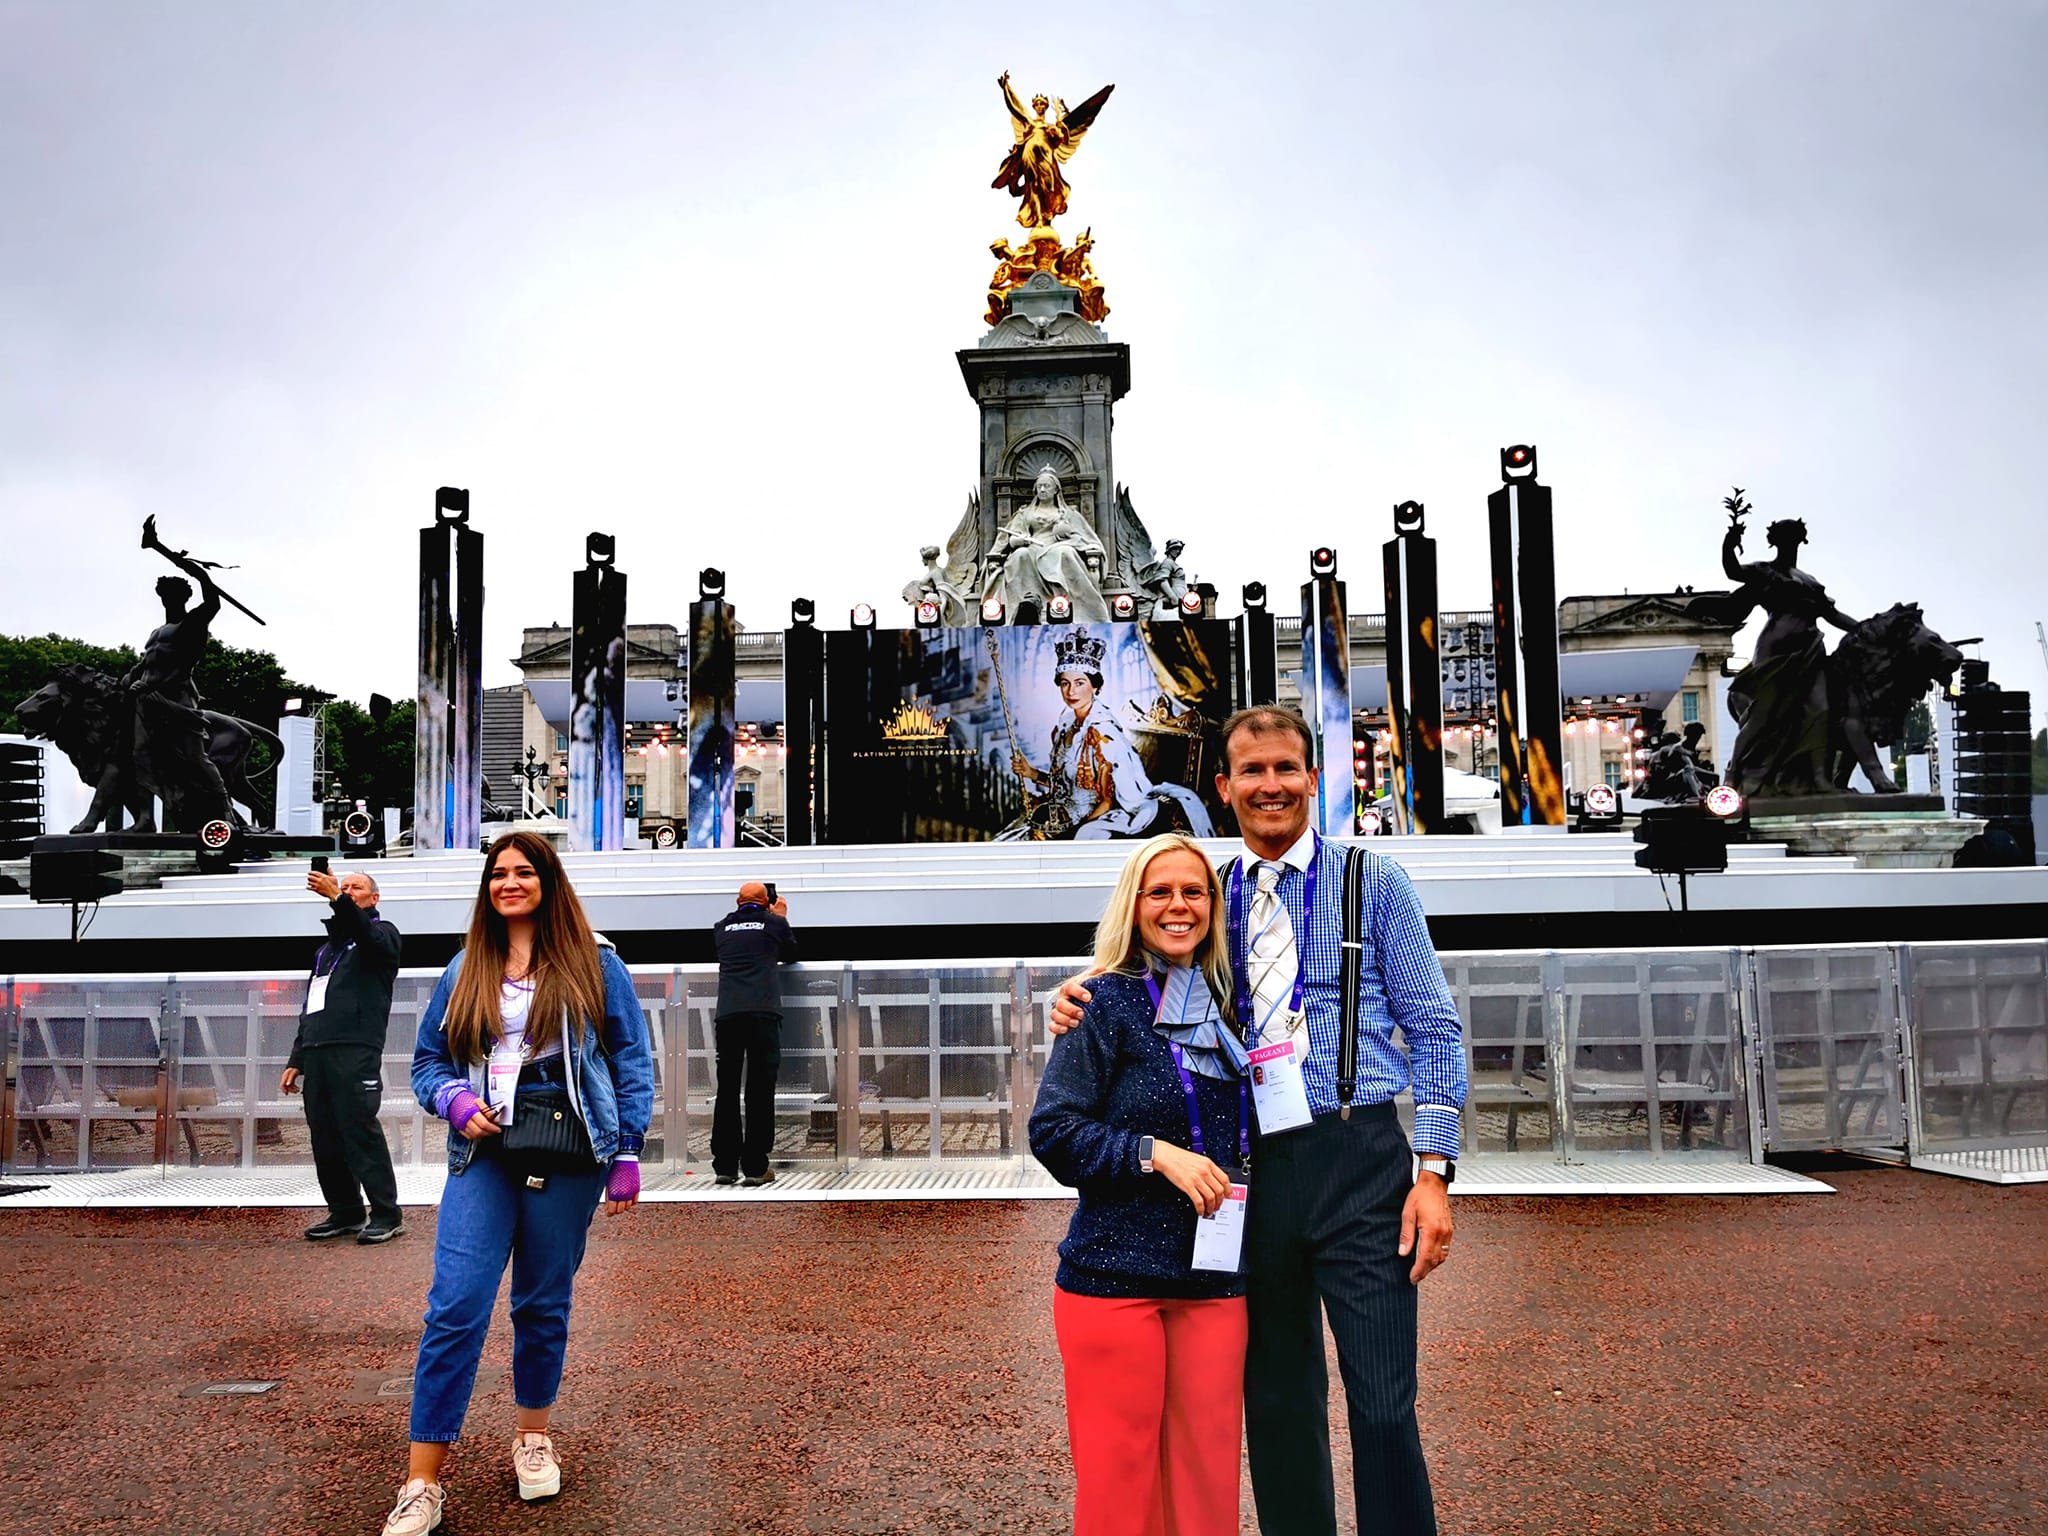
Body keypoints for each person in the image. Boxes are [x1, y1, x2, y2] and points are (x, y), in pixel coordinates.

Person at [1052, 705, 1467, 1536]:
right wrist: (1074, 993)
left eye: (1286, 768)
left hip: (1361, 1158)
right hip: (1256, 1170)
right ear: (1225, 787)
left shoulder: (1373, 879)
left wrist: (1435, 1172)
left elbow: (1434, 1027)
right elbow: (1144, 969)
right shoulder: (1214, 892)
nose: (1270, 785)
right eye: (1252, 771)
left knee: (1384, 1402)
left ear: (1314, 778)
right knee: (1278, 1400)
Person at [380, 830, 653, 1536]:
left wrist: (627, 1150)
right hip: (484, 1151)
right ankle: (421, 1482)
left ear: (547, 880)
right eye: (498, 873)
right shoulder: (465, 966)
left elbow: (630, 1058)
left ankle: (533, 1435)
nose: (509, 883)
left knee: (541, 1303)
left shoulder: (596, 963)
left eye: (523, 871)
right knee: (456, 1307)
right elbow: (425, 1065)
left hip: (569, 1148)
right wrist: (454, 1102)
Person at [1029, 833, 1248, 1536]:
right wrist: (1157, 1153)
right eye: (1161, 892)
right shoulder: (1100, 1001)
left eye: (1194, 891)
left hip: (1214, 1281)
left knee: (1207, 1485)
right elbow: (1054, 1131)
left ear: (1214, 907)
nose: (1179, 906)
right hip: (1113, 1280)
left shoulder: (1235, 1003)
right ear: (1135, 904)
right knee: (1120, 1488)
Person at [282, 867, 404, 1243]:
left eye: (356, 888)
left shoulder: (383, 934)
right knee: (325, 1135)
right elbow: (311, 1006)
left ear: (374, 899)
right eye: (344, 886)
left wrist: (336, 896)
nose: (348, 891)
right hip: (318, 1051)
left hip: (355, 1049)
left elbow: (366, 935)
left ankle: (386, 1213)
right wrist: (296, 1058)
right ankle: (345, 1211)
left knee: (359, 1130)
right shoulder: (325, 952)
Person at [1004, 629, 1156, 841]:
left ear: (1094, 686)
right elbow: (1065, 785)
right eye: (1065, 683)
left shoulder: (1103, 735)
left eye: (1079, 683)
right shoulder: (1064, 728)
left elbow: (1107, 801)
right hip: (1061, 815)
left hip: (1091, 819)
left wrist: (1073, 831)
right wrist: (1032, 773)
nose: (1071, 692)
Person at [711, 882, 798, 1188]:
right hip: (762, 1013)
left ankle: (724, 1165)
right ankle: (755, 1166)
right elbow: (791, 953)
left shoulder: (722, 927)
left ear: (738, 901)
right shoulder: (773, 923)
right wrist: (781, 917)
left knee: (727, 1089)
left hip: (728, 1014)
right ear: (766, 901)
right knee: (760, 1090)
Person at [985, 467, 1109, 623]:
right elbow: (1010, 538)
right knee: (1019, 555)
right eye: (1039, 486)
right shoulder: (1024, 513)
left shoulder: (1067, 513)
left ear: (1056, 489)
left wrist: (1066, 533)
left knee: (1066, 553)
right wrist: (1019, 541)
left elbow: (1084, 536)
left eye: (1047, 486)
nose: (1042, 489)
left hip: (1058, 546)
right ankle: (1021, 608)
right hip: (1032, 546)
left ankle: (1070, 608)